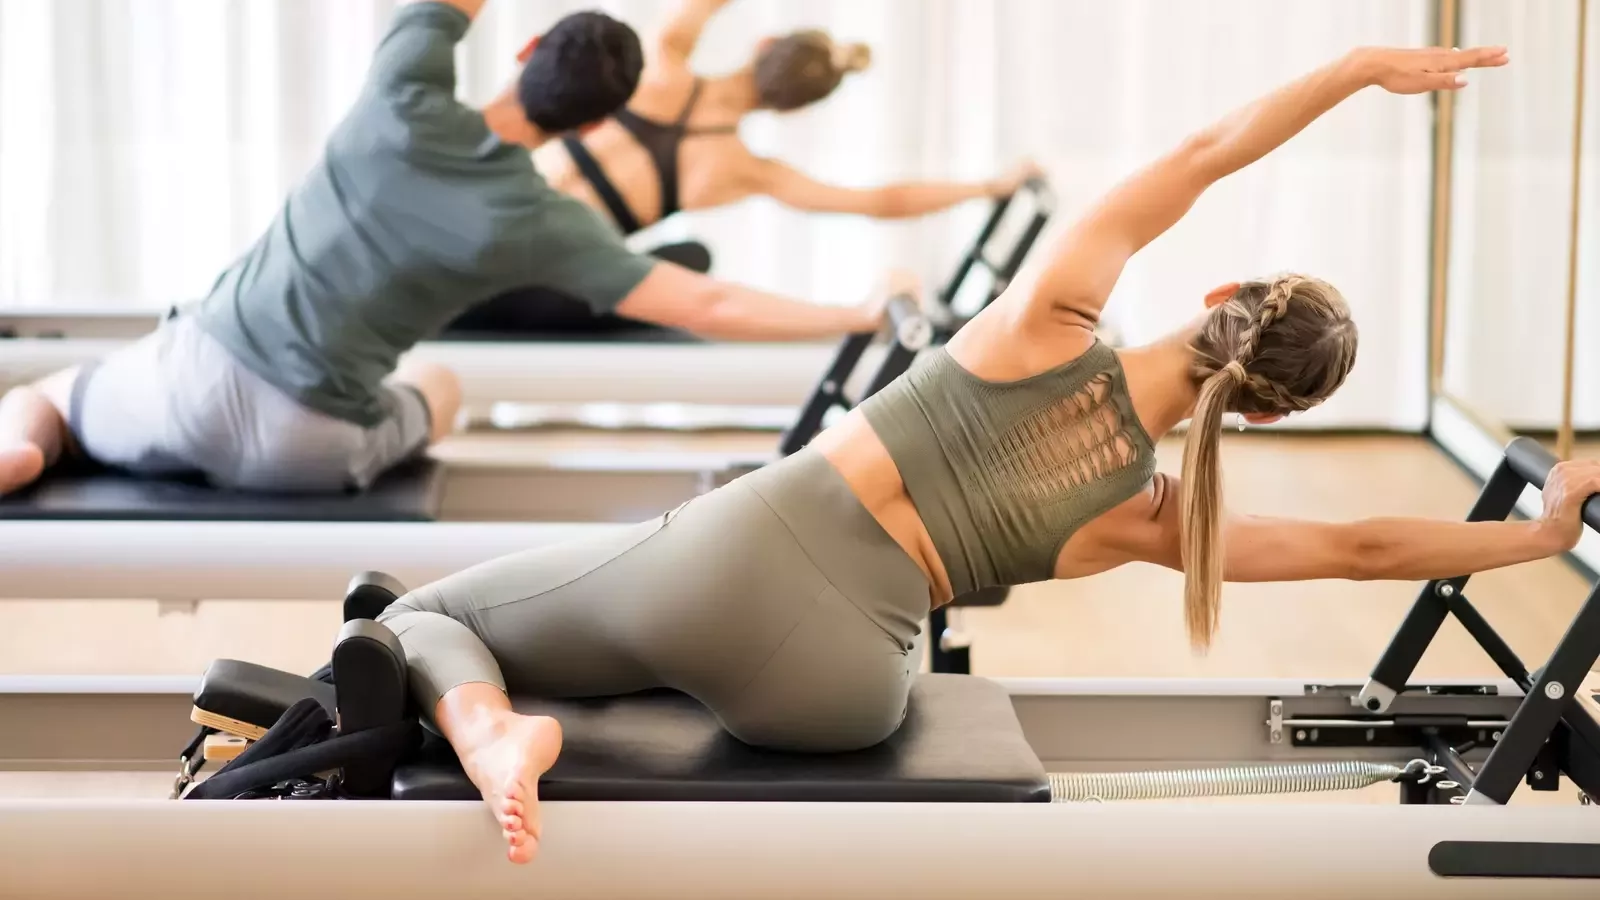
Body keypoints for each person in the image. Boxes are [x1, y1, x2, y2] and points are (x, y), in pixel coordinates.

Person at [374, 43, 1582, 865]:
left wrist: (1359, 70)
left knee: (423, 616)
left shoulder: (1048, 316)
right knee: (791, 657)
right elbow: (1362, 548)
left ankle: (491, 726)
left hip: (735, 554)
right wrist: (1535, 534)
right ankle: (595, 680)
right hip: (839, 696)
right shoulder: (1159, 515)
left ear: (1220, 293)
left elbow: (1211, 149)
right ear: (1261, 414)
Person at [0, 0, 902, 498]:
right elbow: (709, 303)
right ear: (593, 122)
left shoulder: (402, 87)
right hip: (304, 444)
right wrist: (857, 312)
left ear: (527, 48)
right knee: (440, 384)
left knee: (47, 396)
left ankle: (20, 451)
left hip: (191, 369)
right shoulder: (543, 220)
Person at [447, 0, 1041, 336]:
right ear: (793, 108)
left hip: (471, 248)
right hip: (540, 292)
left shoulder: (658, 64)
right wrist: (989, 185)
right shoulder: (741, 169)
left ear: (763, 47)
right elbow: (878, 201)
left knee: (676, 262)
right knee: (692, 258)